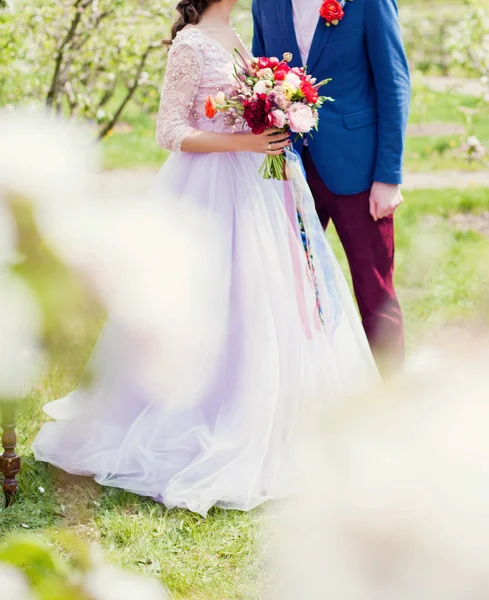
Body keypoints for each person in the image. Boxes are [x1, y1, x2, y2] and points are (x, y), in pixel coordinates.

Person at [33, 0, 378, 517]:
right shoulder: (190, 43)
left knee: (265, 298)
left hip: (257, 188)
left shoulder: (236, 33)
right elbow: (168, 132)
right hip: (208, 193)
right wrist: (244, 141)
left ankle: (275, 411)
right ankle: (209, 415)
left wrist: (276, 125)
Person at [252, 0, 411, 372]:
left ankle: (393, 403)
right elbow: (259, 80)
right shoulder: (265, 4)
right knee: (294, 290)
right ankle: (316, 393)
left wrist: (388, 177)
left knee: (375, 294)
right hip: (288, 168)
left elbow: (394, 85)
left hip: (358, 170)